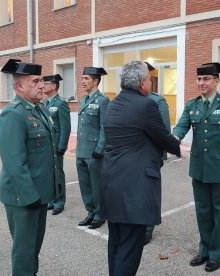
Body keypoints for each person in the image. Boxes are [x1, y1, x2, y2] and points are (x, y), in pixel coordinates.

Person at [101, 61, 181, 276]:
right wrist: (176, 144)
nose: (150, 83)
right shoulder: (145, 105)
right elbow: (163, 137)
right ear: (141, 82)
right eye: (148, 78)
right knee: (130, 248)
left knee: (117, 243)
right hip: (134, 188)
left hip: (113, 184)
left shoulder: (114, 103)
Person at [172, 62, 220, 272]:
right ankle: (204, 250)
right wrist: (170, 140)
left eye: (206, 79)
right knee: (203, 211)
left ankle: (216, 253)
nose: (201, 83)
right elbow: (181, 128)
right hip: (199, 167)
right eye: (199, 79)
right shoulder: (192, 105)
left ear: (216, 81)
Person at [0, 59, 60, 276]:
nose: (42, 85)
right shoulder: (13, 114)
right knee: (24, 250)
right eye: (36, 81)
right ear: (20, 86)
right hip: (22, 197)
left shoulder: (38, 109)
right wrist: (30, 195)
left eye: (42, 80)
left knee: (34, 246)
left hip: (38, 194)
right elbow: (14, 163)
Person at [76, 67, 109, 229]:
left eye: (86, 78)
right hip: (81, 150)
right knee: (85, 184)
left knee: (96, 185)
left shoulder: (102, 101)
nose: (83, 81)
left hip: (94, 151)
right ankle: (90, 212)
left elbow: (105, 127)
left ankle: (100, 214)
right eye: (82, 78)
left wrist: (100, 148)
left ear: (95, 81)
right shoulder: (83, 100)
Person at [144, 62, 172, 245]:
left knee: (149, 193)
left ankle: (147, 229)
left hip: (149, 156)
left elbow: (164, 131)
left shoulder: (157, 101)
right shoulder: (125, 99)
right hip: (129, 156)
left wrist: (161, 157)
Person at [42, 74, 71, 215]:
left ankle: (59, 202)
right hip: (47, 145)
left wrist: (62, 145)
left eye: (46, 83)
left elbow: (66, 127)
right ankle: (52, 200)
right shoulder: (45, 103)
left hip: (56, 144)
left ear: (53, 86)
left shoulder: (61, 103)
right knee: (49, 173)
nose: (43, 86)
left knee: (58, 173)